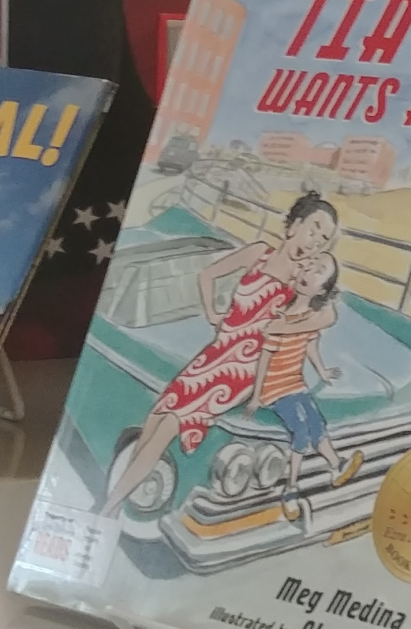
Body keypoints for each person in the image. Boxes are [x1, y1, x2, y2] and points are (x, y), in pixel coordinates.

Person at [97, 191, 340, 519]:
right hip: (215, 354)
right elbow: (207, 275)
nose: (315, 241)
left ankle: (108, 508)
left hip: (243, 369)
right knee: (155, 417)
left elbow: (328, 315)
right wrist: (213, 314)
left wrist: (285, 328)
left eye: (323, 239)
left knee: (169, 425)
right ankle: (117, 500)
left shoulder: (303, 280)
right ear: (294, 225)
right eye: (314, 229)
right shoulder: (258, 253)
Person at [256, 251, 364, 521]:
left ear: (323, 289)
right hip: (275, 387)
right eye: (309, 266)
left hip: (295, 383)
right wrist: (257, 394)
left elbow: (311, 346)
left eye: (318, 271)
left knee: (317, 423)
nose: (308, 272)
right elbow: (264, 357)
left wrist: (322, 370)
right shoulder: (280, 316)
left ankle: (337, 465)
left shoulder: (309, 318)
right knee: (301, 431)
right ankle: (290, 489)